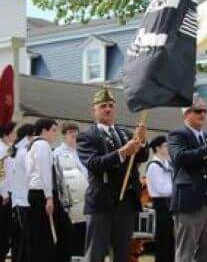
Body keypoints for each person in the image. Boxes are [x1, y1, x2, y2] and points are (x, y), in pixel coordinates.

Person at [77, 88, 149, 262]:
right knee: (96, 253)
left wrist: (142, 141)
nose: (107, 109)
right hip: (101, 203)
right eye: (103, 106)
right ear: (94, 110)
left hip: (125, 203)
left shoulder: (124, 133)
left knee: (123, 253)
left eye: (110, 105)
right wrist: (122, 152)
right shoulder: (87, 136)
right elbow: (94, 164)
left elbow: (141, 157)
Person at [168, 95, 207, 262]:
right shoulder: (177, 135)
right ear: (186, 114)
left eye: (204, 111)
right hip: (190, 202)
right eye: (198, 111)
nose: (202, 114)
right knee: (185, 253)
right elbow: (181, 157)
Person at [27, 118, 73, 262]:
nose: (55, 134)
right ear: (44, 130)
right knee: (49, 235)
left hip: (36, 192)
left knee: (42, 234)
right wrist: (49, 198)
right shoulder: (42, 145)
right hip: (43, 194)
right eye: (53, 130)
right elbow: (45, 172)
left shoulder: (32, 145)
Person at [54, 123, 88, 257]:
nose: (73, 134)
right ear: (64, 135)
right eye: (70, 132)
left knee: (82, 234)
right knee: (68, 236)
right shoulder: (57, 152)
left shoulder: (82, 152)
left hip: (84, 199)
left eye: (75, 132)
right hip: (67, 200)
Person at [0, 121, 17, 262]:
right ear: (6, 134)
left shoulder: (9, 148)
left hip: (10, 195)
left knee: (6, 234)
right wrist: (4, 193)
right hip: (1, 196)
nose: (15, 134)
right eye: (13, 131)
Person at [146, 135, 174, 262]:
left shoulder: (167, 164)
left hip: (170, 205)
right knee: (163, 241)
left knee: (171, 241)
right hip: (161, 205)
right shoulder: (154, 166)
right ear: (157, 148)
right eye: (165, 146)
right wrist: (177, 190)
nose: (168, 148)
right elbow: (161, 189)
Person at [11, 123, 35, 262]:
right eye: (34, 135)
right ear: (28, 136)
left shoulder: (19, 151)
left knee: (20, 241)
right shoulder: (24, 152)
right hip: (24, 202)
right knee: (24, 242)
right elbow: (32, 174)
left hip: (20, 202)